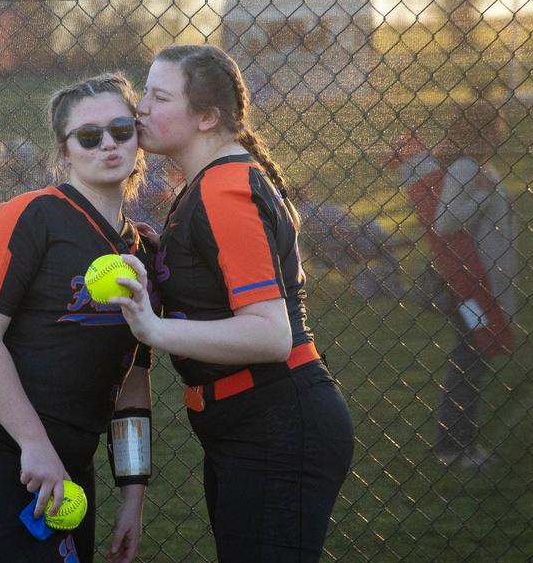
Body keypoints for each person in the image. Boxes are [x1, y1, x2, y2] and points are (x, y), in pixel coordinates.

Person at [114, 44, 355, 562]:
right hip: (254, 422)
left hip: (276, 422)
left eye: (159, 98)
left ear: (207, 117)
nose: (142, 110)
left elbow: (269, 335)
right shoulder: (208, 185)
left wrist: (152, 329)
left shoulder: (224, 189)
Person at [0, 73, 154, 563]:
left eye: (121, 129)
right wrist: (32, 443)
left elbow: (134, 380)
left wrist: (133, 498)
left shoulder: (142, 248)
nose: (108, 144)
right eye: (89, 136)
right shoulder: (30, 215)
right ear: (64, 151)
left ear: (138, 140)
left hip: (69, 459)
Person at [386, 101, 518, 468]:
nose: (499, 134)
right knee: (468, 359)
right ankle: (454, 446)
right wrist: (483, 194)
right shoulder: (464, 169)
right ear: (482, 132)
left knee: (470, 358)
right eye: (495, 128)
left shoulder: (477, 168)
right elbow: (445, 222)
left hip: (484, 281)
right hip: (471, 284)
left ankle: (458, 443)